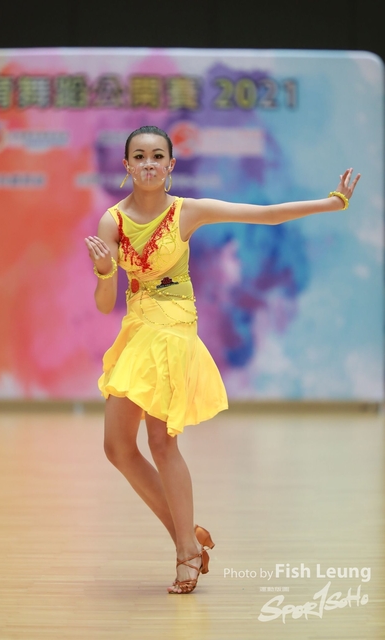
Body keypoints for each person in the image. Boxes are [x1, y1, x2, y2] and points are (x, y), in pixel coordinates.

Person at [84, 125, 360, 594]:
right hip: (137, 328)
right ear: (126, 165)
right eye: (140, 156)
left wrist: (332, 202)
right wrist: (106, 270)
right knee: (117, 448)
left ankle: (185, 552)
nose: (149, 164)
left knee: (161, 441)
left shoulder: (186, 211)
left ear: (171, 165)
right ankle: (187, 534)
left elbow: (266, 215)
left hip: (174, 327)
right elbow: (104, 303)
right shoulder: (112, 222)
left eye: (157, 156)